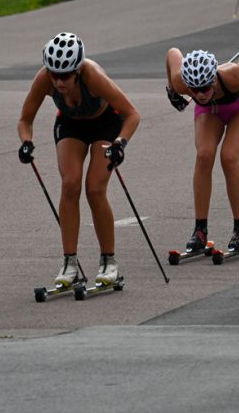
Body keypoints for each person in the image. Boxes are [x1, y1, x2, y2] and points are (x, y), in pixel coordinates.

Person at [17, 32, 140, 288]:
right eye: (54, 74)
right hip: (71, 125)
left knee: (95, 189)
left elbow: (132, 114)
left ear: (77, 70)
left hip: (106, 125)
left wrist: (121, 144)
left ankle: (109, 261)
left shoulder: (93, 76)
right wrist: (26, 142)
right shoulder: (44, 79)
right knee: (70, 184)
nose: (59, 82)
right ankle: (70, 263)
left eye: (65, 76)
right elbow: (25, 119)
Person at [164, 40, 239, 255]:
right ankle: (200, 230)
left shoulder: (233, 75)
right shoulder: (181, 82)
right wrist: (172, 91)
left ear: (213, 78)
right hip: (210, 113)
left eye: (205, 87)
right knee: (204, 156)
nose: (200, 94)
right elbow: (172, 53)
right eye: (194, 90)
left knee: (229, 157)